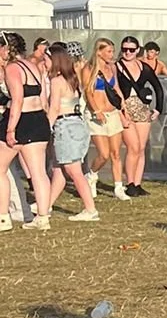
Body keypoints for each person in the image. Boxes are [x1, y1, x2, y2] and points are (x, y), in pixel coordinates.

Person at [0, 30, 53, 231]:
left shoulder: (13, 69)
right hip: (39, 118)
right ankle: (42, 217)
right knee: (38, 172)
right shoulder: (32, 66)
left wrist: (10, 129)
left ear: (6, 48)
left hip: (22, 119)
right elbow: (42, 96)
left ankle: (3, 216)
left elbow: (18, 100)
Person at [46, 45, 98, 221]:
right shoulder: (73, 78)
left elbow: (54, 108)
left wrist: (46, 129)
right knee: (59, 169)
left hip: (65, 125)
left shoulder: (56, 81)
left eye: (47, 59)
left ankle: (90, 209)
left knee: (73, 169)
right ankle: (46, 206)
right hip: (77, 124)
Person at [114, 36, 161, 197]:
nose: (128, 53)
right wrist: (120, 111)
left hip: (142, 109)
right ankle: (130, 183)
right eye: (125, 49)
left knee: (140, 148)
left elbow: (158, 87)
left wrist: (158, 109)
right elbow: (111, 89)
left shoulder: (143, 67)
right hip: (125, 109)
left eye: (131, 50)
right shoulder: (116, 67)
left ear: (137, 50)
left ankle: (138, 183)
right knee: (132, 147)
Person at [84, 36, 130, 201]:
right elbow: (88, 92)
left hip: (112, 113)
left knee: (116, 153)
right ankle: (92, 175)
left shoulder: (112, 68)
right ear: (99, 51)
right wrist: (96, 110)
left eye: (112, 51)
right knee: (103, 154)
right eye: (109, 51)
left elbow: (116, 87)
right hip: (97, 114)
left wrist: (123, 107)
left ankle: (118, 186)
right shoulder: (89, 69)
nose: (112, 54)